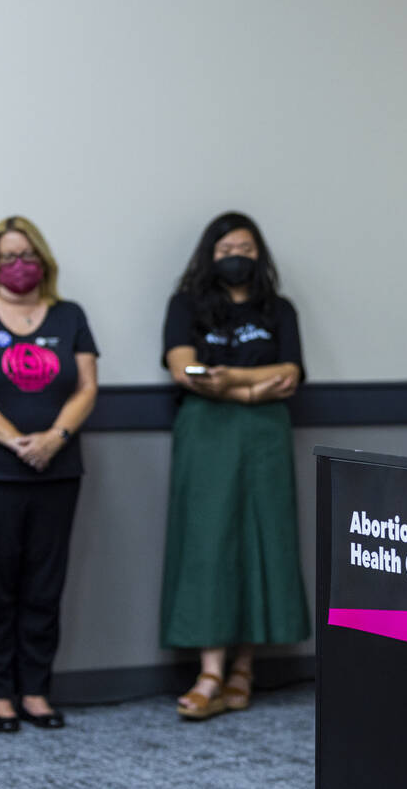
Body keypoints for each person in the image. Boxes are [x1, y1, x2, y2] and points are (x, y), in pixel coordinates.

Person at [0, 216, 98, 733]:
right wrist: (15, 440)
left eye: (27, 255)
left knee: (44, 588)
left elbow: (87, 388)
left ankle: (35, 690)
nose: (19, 265)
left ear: (44, 260)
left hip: (57, 472)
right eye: (8, 257)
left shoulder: (69, 315)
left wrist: (55, 439)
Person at [160, 211, 311, 720]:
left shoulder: (279, 309)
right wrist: (250, 387)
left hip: (265, 435)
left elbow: (291, 372)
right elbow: (185, 370)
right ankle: (209, 672)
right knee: (208, 544)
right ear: (209, 255)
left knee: (260, 540)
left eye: (245, 248)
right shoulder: (186, 305)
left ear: (259, 254)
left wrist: (228, 383)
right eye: (226, 250)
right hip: (205, 433)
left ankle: (244, 669)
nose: (236, 257)